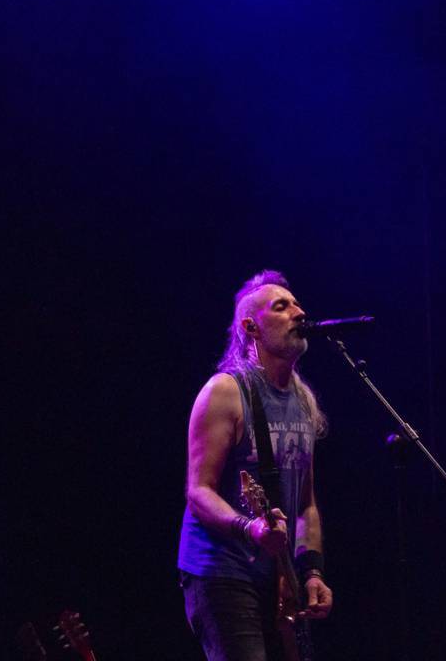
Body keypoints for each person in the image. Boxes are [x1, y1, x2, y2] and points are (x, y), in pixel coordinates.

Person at [178, 270, 333, 661]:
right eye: (281, 307)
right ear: (251, 328)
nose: (299, 312)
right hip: (222, 570)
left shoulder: (303, 399)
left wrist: (312, 572)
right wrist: (250, 528)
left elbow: (306, 504)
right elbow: (198, 491)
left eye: (297, 303)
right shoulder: (225, 392)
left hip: (278, 576)